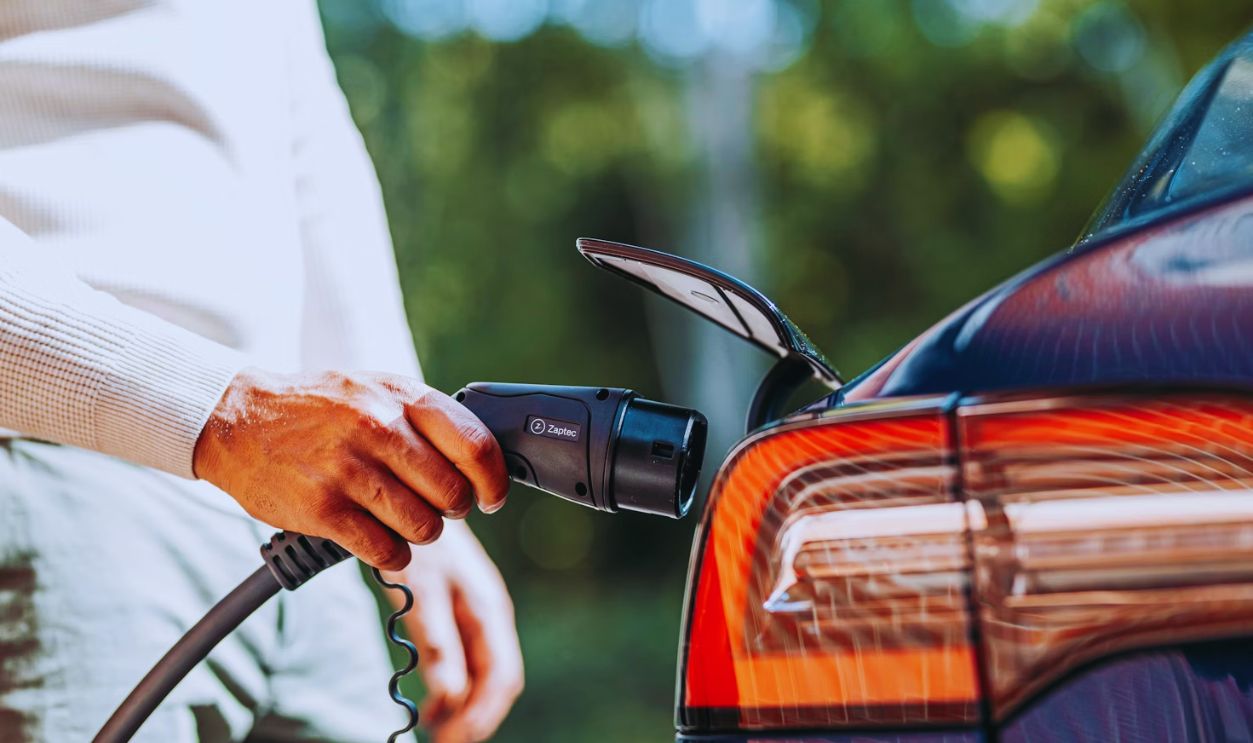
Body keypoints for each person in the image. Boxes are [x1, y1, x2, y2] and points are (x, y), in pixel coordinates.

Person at [0, 2, 523, 741]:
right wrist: (215, 410)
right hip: (64, 483)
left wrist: (408, 482)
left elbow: (305, 147)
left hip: (296, 518)